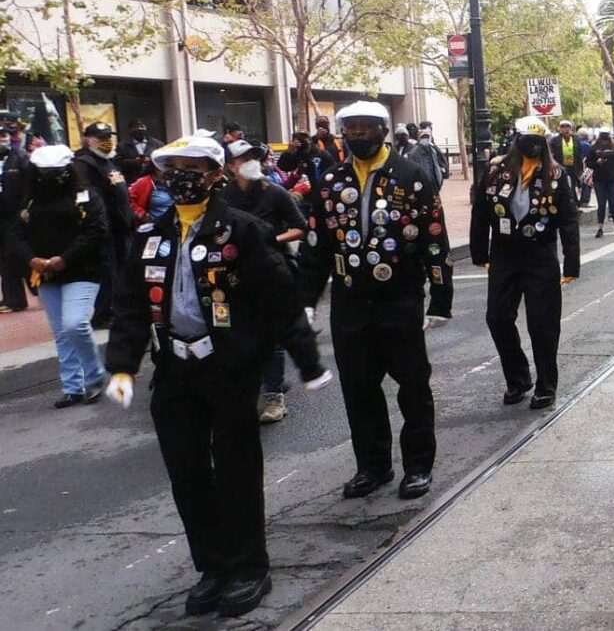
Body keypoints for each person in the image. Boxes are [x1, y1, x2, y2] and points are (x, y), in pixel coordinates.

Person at [104, 134, 331, 617]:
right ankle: (213, 565)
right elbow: (129, 307)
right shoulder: (150, 238)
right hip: (174, 368)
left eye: (192, 168)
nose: (180, 178)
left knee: (236, 468)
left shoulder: (243, 231)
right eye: (172, 170)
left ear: (214, 175)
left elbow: (280, 299)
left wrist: (307, 361)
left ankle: (250, 565)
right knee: (186, 471)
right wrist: (122, 365)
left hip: (228, 368)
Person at [299, 101, 453, 501]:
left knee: (413, 385)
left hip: (399, 299)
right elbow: (317, 246)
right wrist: (306, 299)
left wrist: (440, 297)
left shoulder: (412, 176)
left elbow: (434, 238)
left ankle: (418, 466)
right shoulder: (331, 181)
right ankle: (373, 465)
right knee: (358, 388)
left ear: (384, 131)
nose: (359, 135)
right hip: (350, 302)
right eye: (351, 128)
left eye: (367, 127)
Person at [471, 117, 581, 411]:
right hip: (504, 254)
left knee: (543, 325)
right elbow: (481, 212)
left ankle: (546, 385)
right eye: (526, 139)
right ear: (516, 140)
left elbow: (569, 220)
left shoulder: (555, 174)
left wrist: (572, 263)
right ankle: (518, 378)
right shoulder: (495, 171)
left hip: (540, 255)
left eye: (537, 140)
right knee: (497, 317)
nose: (532, 145)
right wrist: (479, 253)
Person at [10, 145, 109, 406]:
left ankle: (94, 376)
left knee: (74, 323)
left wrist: (65, 259)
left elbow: (96, 231)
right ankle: (73, 386)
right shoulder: (30, 198)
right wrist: (31, 259)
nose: (49, 177)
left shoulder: (85, 196)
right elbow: (16, 234)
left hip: (82, 270)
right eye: (44, 172)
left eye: (55, 171)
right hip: (45, 273)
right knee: (61, 333)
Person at [220, 140, 310, 424]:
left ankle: (274, 397)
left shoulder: (276, 193)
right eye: (242, 158)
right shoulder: (222, 197)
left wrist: (272, 239)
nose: (250, 162)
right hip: (234, 275)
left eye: (254, 157)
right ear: (231, 166)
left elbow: (300, 228)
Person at [73, 122, 134, 330]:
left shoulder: (111, 161)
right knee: (108, 272)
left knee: (122, 269)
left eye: (109, 137)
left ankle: (118, 309)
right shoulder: (84, 164)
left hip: (121, 226)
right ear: (88, 139)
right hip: (104, 227)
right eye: (101, 138)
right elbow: (88, 197)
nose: (106, 142)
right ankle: (102, 314)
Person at [0, 125, 31, 313]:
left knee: (16, 255)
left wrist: (25, 208)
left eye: (3, 136)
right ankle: (12, 298)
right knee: (4, 258)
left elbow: (29, 185)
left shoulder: (20, 158)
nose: (1, 139)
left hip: (16, 215)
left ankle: (21, 297)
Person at [584, 127, 614, 237]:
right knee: (601, 204)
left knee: (613, 203)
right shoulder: (594, 148)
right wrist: (597, 163)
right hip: (599, 180)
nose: (604, 139)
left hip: (613, 179)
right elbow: (588, 163)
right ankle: (600, 228)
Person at [115, 119, 163, 183]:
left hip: (154, 182)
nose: (139, 129)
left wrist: (151, 161)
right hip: (132, 182)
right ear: (130, 130)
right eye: (136, 127)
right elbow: (118, 163)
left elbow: (163, 161)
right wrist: (135, 161)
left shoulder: (157, 144)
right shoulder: (122, 146)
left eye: (142, 127)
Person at [549, 120, 585, 203]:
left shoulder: (576, 139)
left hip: (574, 167)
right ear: (560, 129)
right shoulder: (555, 140)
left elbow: (579, 154)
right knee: (563, 186)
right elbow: (551, 153)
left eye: (567, 126)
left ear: (571, 128)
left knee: (573, 186)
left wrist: (580, 169)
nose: (565, 129)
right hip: (561, 167)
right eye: (563, 126)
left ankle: (574, 203)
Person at [406, 126, 445, 193]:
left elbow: (436, 166)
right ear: (419, 138)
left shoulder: (433, 150)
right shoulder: (413, 153)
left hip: (434, 185)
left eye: (427, 137)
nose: (425, 139)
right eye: (423, 137)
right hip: (422, 187)